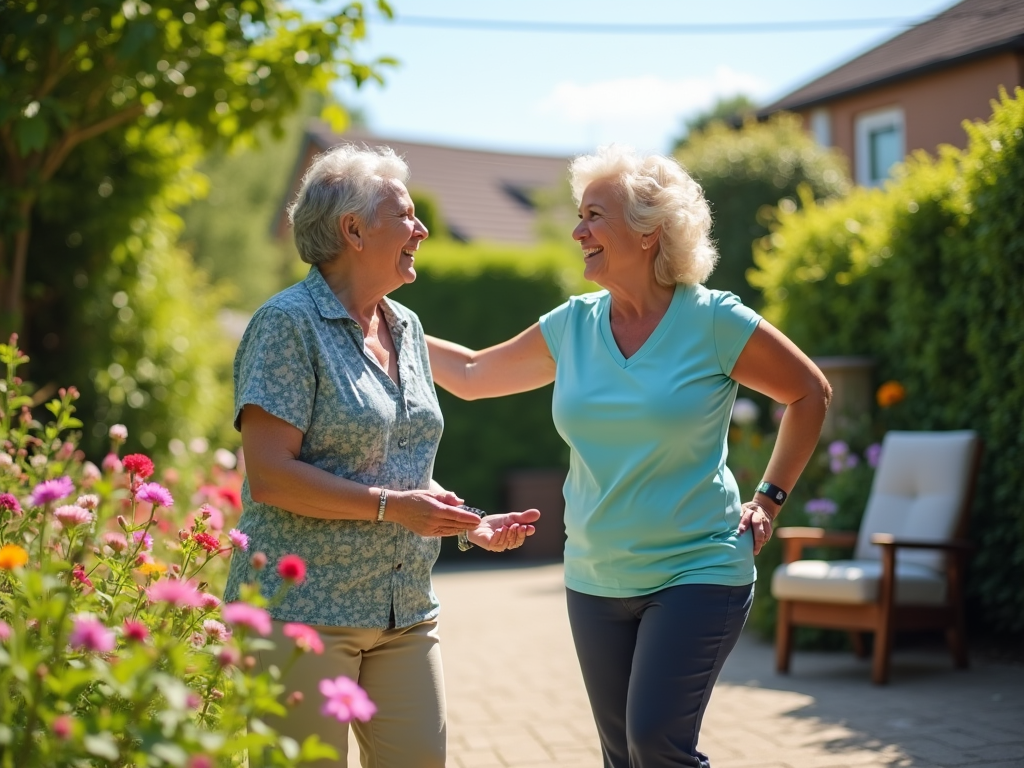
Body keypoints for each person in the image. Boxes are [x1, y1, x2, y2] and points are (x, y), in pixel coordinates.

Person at [426, 146, 830, 768]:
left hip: (698, 569)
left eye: (594, 215)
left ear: (648, 232)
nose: (577, 230)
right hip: (594, 577)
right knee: (623, 758)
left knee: (656, 746)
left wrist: (769, 498)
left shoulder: (713, 321)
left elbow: (809, 393)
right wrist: (383, 322)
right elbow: (475, 372)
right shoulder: (573, 326)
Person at [222, 144, 540, 768]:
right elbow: (269, 475)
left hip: (404, 613)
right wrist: (395, 508)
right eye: (408, 215)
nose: (422, 229)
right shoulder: (287, 324)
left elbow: (398, 465)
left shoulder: (409, 329)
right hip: (304, 613)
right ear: (353, 230)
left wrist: (470, 523)